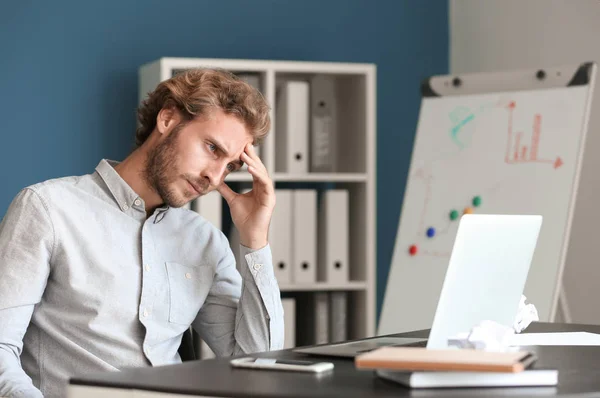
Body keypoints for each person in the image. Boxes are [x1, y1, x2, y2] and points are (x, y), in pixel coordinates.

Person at [0, 68, 284, 398]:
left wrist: (255, 239)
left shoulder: (205, 242)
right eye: (212, 148)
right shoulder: (48, 209)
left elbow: (255, 367)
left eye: (231, 166)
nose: (215, 177)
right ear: (167, 119)